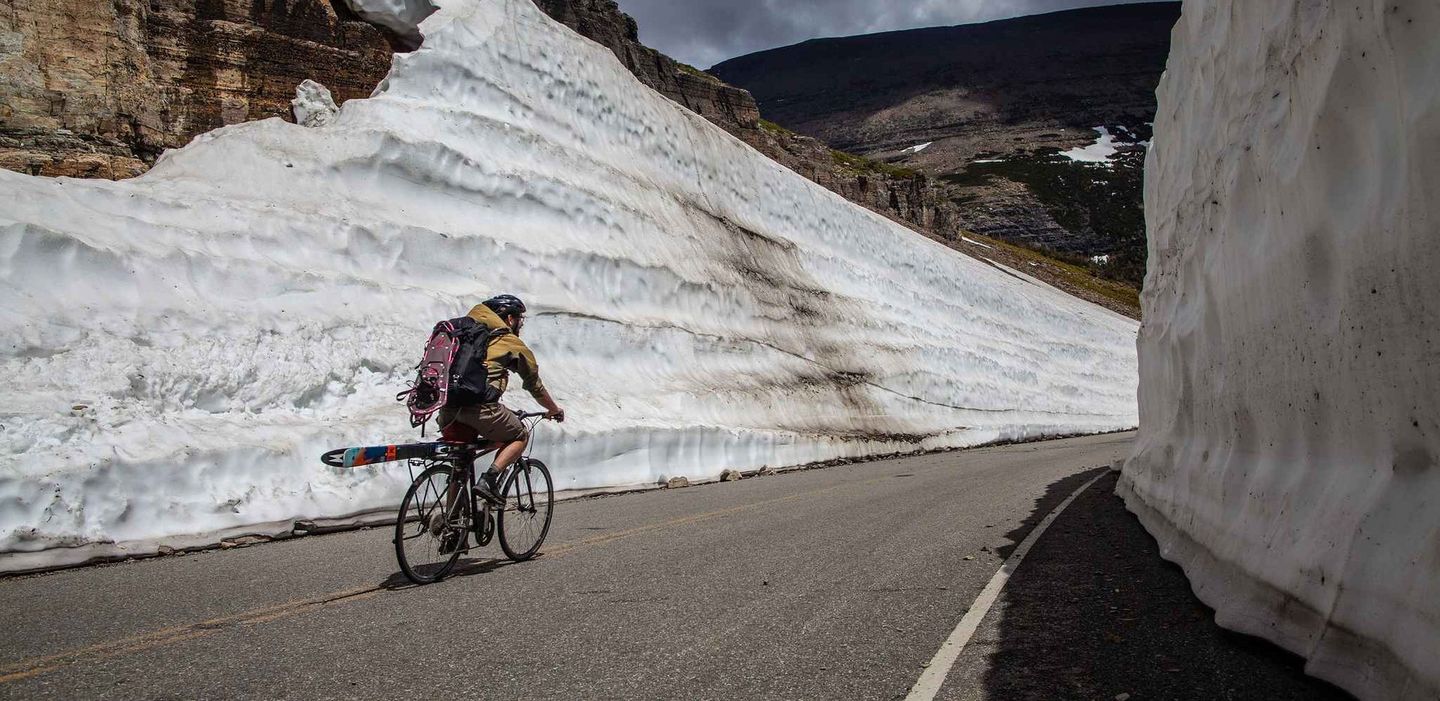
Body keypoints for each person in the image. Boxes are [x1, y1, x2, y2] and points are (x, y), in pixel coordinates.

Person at [437, 294, 564, 505]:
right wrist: (553, 409)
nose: (520, 325)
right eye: (519, 319)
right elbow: (534, 384)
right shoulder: (507, 340)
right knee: (519, 435)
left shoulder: (462, 333)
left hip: (447, 411)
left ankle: (451, 520)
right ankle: (489, 480)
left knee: (462, 463)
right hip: (480, 410)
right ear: (510, 318)